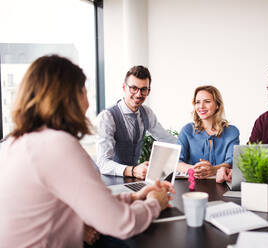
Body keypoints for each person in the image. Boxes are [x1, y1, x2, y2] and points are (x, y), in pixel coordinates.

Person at [0, 55, 174, 247]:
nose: (88, 104)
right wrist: (155, 202)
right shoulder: (58, 145)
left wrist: (133, 197)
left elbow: (66, 206)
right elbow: (121, 223)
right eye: (84, 92)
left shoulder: (15, 143)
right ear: (67, 98)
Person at [95, 65, 177, 179]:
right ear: (124, 88)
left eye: (143, 89)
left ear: (148, 91)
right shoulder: (107, 117)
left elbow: (167, 139)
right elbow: (102, 163)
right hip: (110, 180)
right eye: (134, 88)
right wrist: (132, 171)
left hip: (133, 179)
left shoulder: (147, 112)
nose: (139, 94)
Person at [177, 85, 240, 179]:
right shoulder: (187, 130)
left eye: (207, 101)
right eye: (197, 102)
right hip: (191, 184)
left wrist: (213, 170)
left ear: (217, 105)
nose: (201, 106)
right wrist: (194, 169)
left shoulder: (232, 132)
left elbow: (231, 162)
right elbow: (177, 162)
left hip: (222, 184)